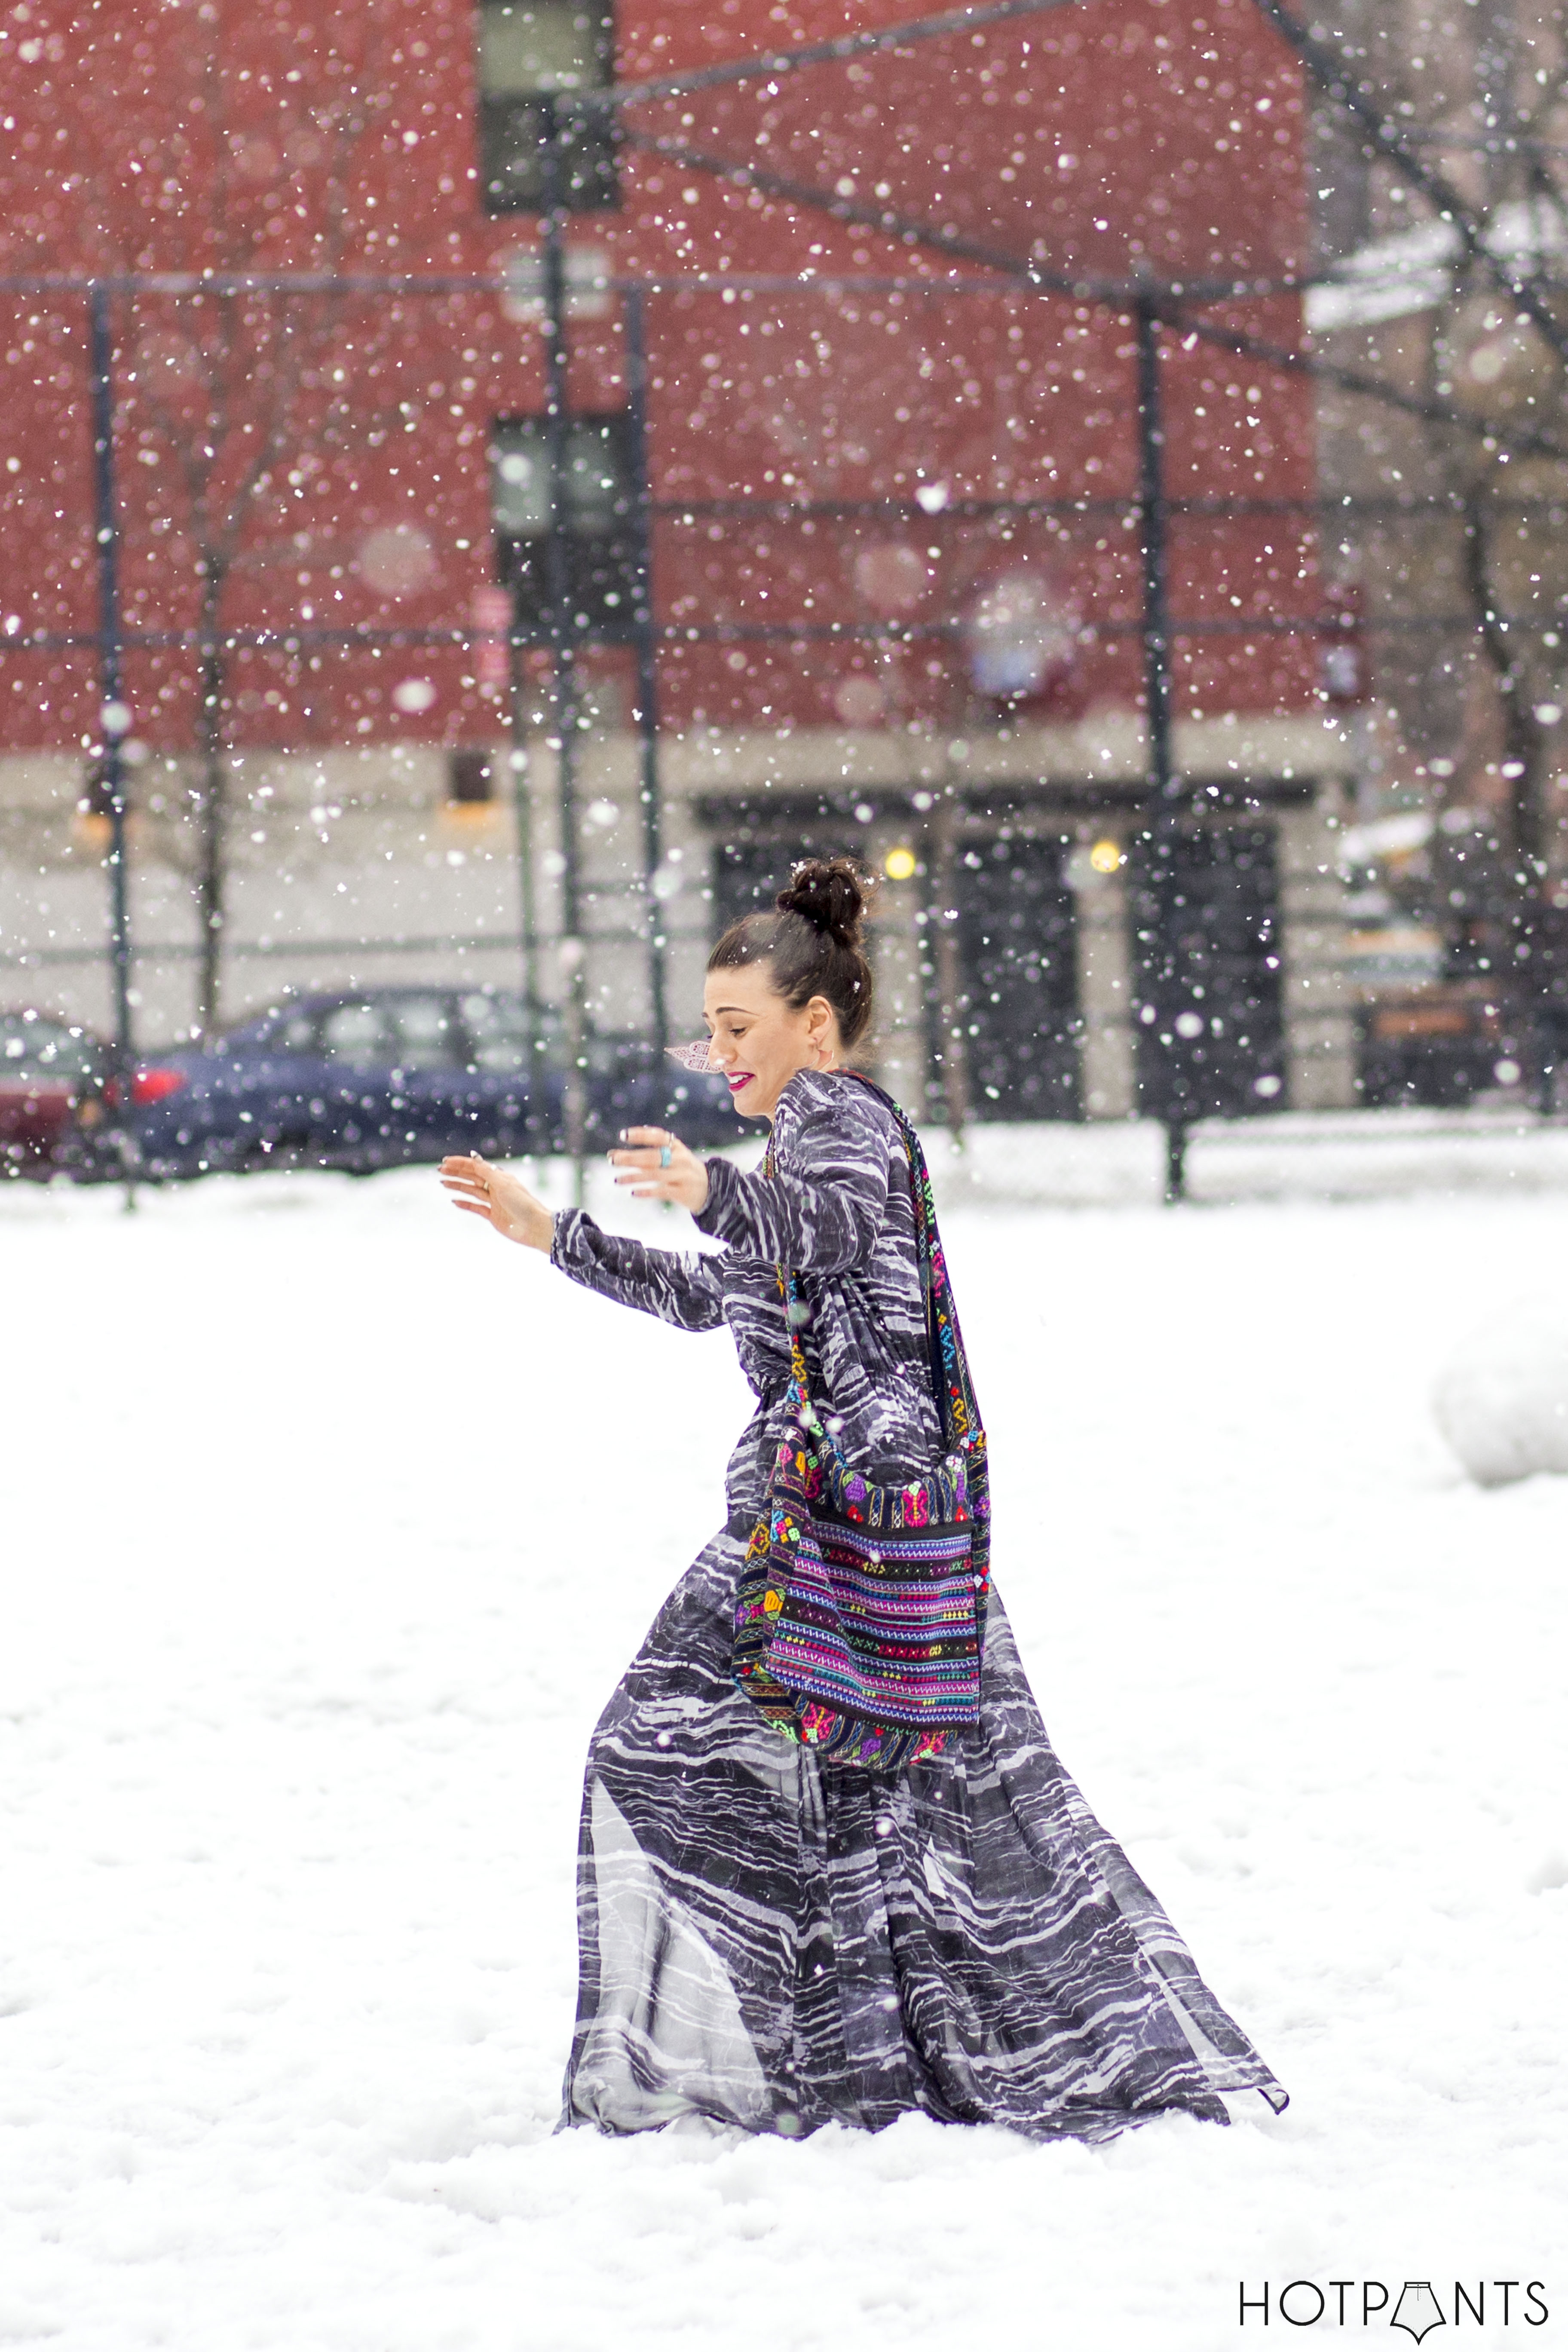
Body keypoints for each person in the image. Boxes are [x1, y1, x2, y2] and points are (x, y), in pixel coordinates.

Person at [439, 856, 1286, 2143]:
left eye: (739, 1028)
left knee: (678, 1751)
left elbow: (820, 1231)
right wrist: (554, 1233)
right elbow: (718, 1291)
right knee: (913, 1804)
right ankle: (891, 2063)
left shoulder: (840, 1119)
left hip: (859, 1518)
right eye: (710, 1028)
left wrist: (714, 1188)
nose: (718, 1053)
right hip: (863, 1519)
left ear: (813, 1026)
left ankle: (860, 2057)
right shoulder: (796, 1138)